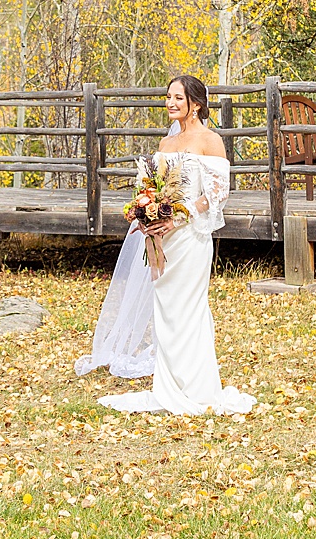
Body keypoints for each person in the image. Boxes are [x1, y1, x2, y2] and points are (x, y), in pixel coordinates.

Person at [95, 75, 256, 416]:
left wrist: (179, 218)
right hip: (161, 237)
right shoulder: (165, 144)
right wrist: (144, 215)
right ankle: (169, 386)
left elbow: (217, 193)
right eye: (168, 97)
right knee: (166, 310)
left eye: (178, 98)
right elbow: (150, 188)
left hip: (190, 238)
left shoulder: (210, 141)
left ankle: (198, 388)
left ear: (195, 104)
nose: (170, 103)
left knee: (190, 309)